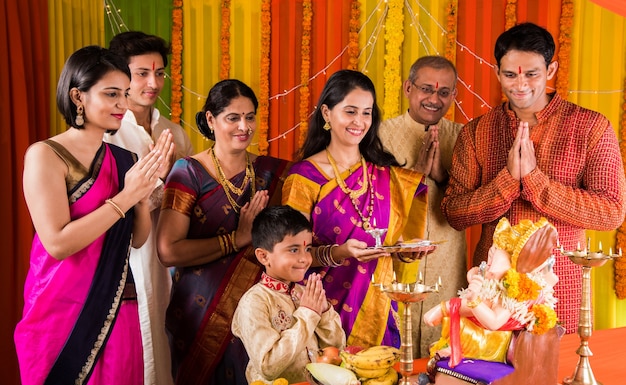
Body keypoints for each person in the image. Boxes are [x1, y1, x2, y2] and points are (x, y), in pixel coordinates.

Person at [441, 22, 626, 334]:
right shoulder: (477, 132)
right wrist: (508, 180)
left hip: (559, 290)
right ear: (498, 72)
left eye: (532, 74)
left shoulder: (590, 127)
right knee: (492, 379)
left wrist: (535, 181)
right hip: (491, 293)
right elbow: (454, 213)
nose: (520, 84)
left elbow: (611, 211)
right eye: (510, 74)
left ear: (551, 69)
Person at [15, 45, 171, 385]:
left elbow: (138, 239)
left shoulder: (126, 158)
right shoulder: (46, 155)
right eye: (111, 94)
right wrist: (127, 196)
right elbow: (56, 243)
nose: (122, 105)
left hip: (118, 303)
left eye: (125, 95)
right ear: (78, 96)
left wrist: (141, 195)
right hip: (60, 307)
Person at [282, 69, 432, 350]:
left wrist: (405, 251)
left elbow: (392, 243)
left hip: (377, 307)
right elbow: (291, 256)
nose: (359, 122)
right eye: (350, 111)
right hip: (322, 309)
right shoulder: (304, 178)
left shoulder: (386, 175)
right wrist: (340, 252)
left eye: (366, 113)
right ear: (327, 113)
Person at [156, 79, 292, 385]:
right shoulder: (188, 172)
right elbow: (168, 251)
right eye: (233, 117)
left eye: (250, 117)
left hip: (259, 312)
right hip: (198, 312)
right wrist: (236, 239)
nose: (244, 127)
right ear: (210, 119)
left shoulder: (273, 173)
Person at [106, 31, 194, 385]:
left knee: (168, 335)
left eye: (159, 73)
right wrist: (158, 180)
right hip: (126, 257)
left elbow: (186, 202)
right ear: (120, 75)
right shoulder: (108, 135)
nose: (153, 82)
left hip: (172, 253)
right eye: (142, 73)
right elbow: (113, 210)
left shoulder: (175, 132)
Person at [379, 55, 467, 357]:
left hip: (447, 255)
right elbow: (371, 200)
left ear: (454, 95)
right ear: (407, 88)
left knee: (441, 347)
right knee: (392, 350)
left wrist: (441, 176)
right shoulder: (379, 134)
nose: (434, 99)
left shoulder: (462, 137)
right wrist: (414, 174)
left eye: (444, 92)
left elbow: (471, 201)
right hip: (396, 256)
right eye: (425, 89)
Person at [420, 218, 560, 385]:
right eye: (492, 250)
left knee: (465, 319)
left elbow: (494, 322)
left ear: (514, 262)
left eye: (497, 253)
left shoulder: (514, 290)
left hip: (495, 343)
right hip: (482, 331)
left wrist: (471, 302)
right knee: (461, 317)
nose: (491, 254)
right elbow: (477, 287)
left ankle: (459, 348)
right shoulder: (496, 282)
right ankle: (453, 346)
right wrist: (474, 280)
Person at [232, 205, 346, 384]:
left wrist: (323, 313)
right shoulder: (254, 302)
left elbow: (337, 350)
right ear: (264, 257)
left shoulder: (304, 294)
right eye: (293, 250)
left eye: (308, 249)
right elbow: (268, 366)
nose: (304, 258)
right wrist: (308, 315)